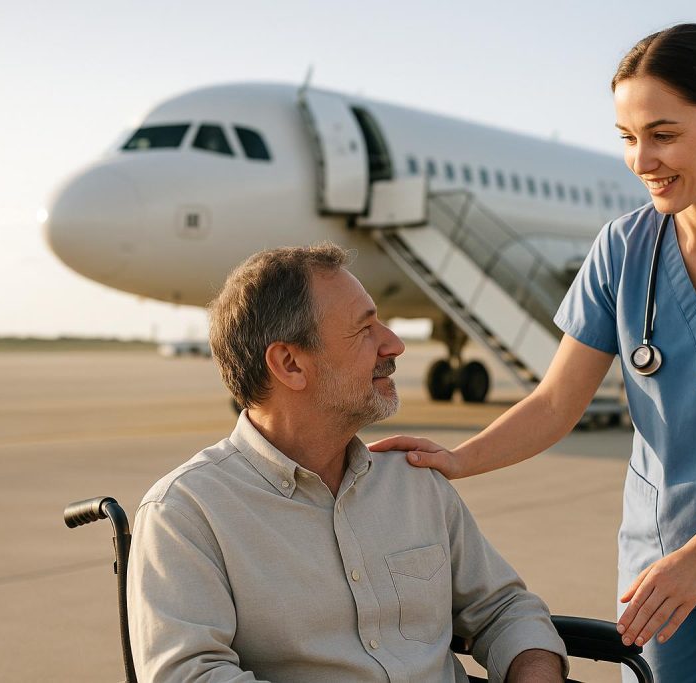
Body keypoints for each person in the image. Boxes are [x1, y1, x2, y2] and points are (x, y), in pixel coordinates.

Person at [370, 23, 696, 683]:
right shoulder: (622, 247)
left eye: (663, 134)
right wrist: (456, 458)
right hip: (663, 560)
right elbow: (556, 401)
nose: (642, 160)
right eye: (628, 138)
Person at [127, 244, 567, 682]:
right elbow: (189, 675)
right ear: (290, 364)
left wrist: (533, 670)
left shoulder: (415, 483)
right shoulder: (185, 512)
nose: (393, 344)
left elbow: (507, 609)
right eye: (365, 329)